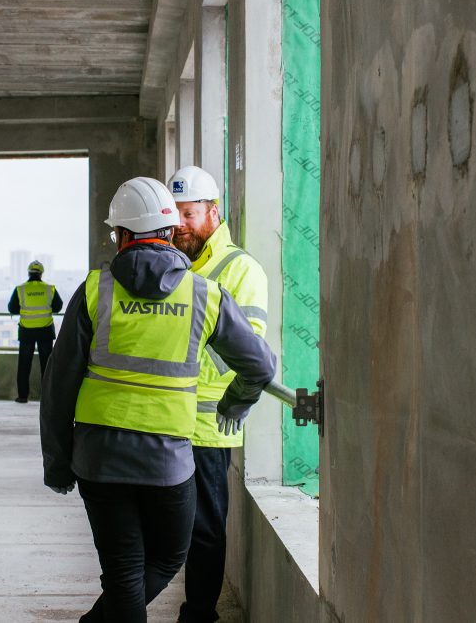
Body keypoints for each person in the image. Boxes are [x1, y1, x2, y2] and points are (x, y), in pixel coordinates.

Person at [39, 177, 276, 622]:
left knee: (124, 570)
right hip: (167, 461)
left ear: (123, 236)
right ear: (169, 233)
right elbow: (260, 366)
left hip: (99, 458)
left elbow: (57, 388)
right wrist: (234, 404)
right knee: (166, 559)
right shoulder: (204, 294)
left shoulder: (95, 290)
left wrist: (57, 463)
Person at [167, 165, 270, 623]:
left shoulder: (238, 269)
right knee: (168, 528)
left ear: (213, 213)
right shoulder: (174, 265)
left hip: (209, 426)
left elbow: (246, 352)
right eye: (174, 218)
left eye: (189, 216)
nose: (180, 227)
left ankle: (199, 614)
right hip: (166, 421)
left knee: (205, 530)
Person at [8, 260, 63, 403]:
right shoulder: (49, 289)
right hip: (45, 331)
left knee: (24, 365)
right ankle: (47, 396)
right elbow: (58, 306)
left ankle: (22, 396)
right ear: (41, 274)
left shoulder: (20, 289)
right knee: (47, 365)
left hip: (27, 331)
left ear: (29, 273)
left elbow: (12, 308)